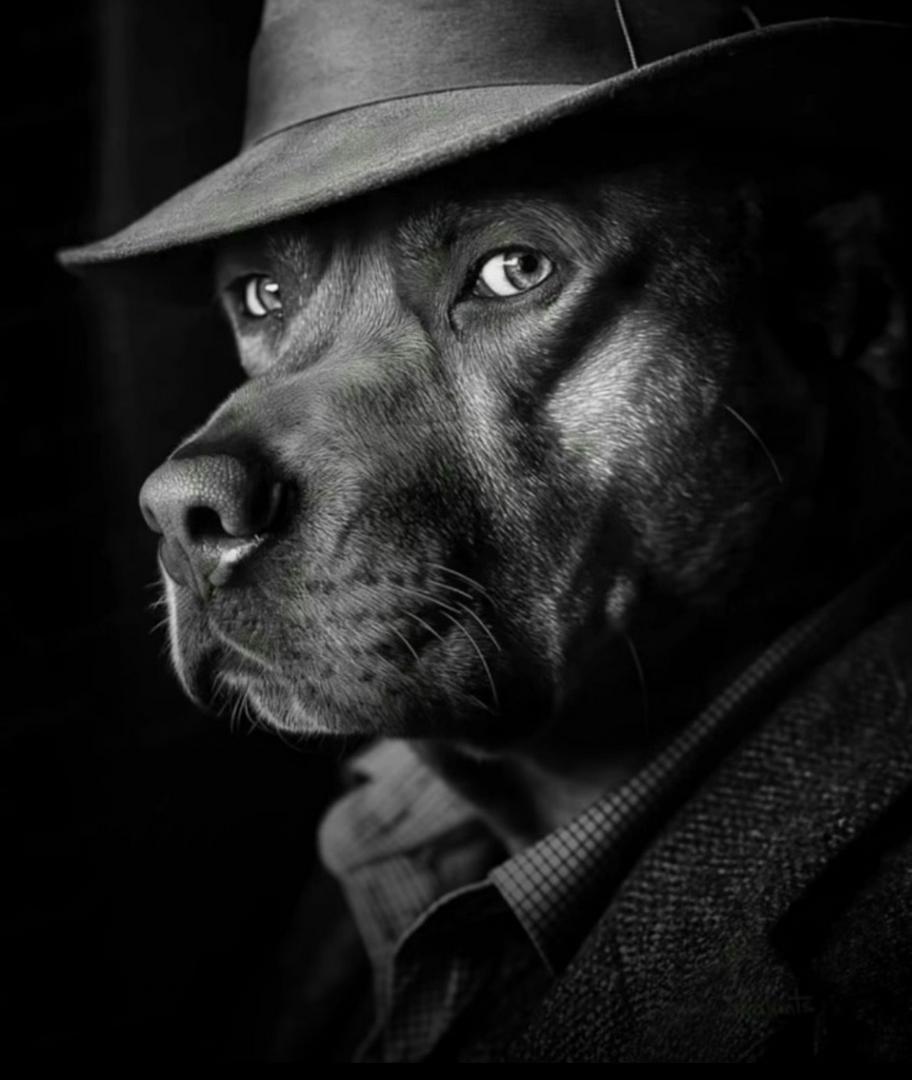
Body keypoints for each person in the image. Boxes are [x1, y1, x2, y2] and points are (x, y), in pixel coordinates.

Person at [60, 0, 912, 1062]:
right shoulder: (394, 823)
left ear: (843, 299)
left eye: (513, 269)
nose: (200, 484)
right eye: (268, 295)